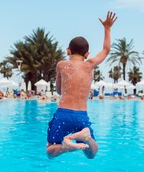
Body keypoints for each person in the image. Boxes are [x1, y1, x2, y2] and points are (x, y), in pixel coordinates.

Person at [46, 11, 117, 159]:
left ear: (68, 51)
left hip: (63, 113)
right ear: (87, 55)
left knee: (50, 151)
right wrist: (107, 28)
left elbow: (59, 90)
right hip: (81, 115)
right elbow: (106, 50)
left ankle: (66, 146)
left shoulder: (61, 64)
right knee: (91, 154)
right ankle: (86, 137)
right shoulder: (90, 65)